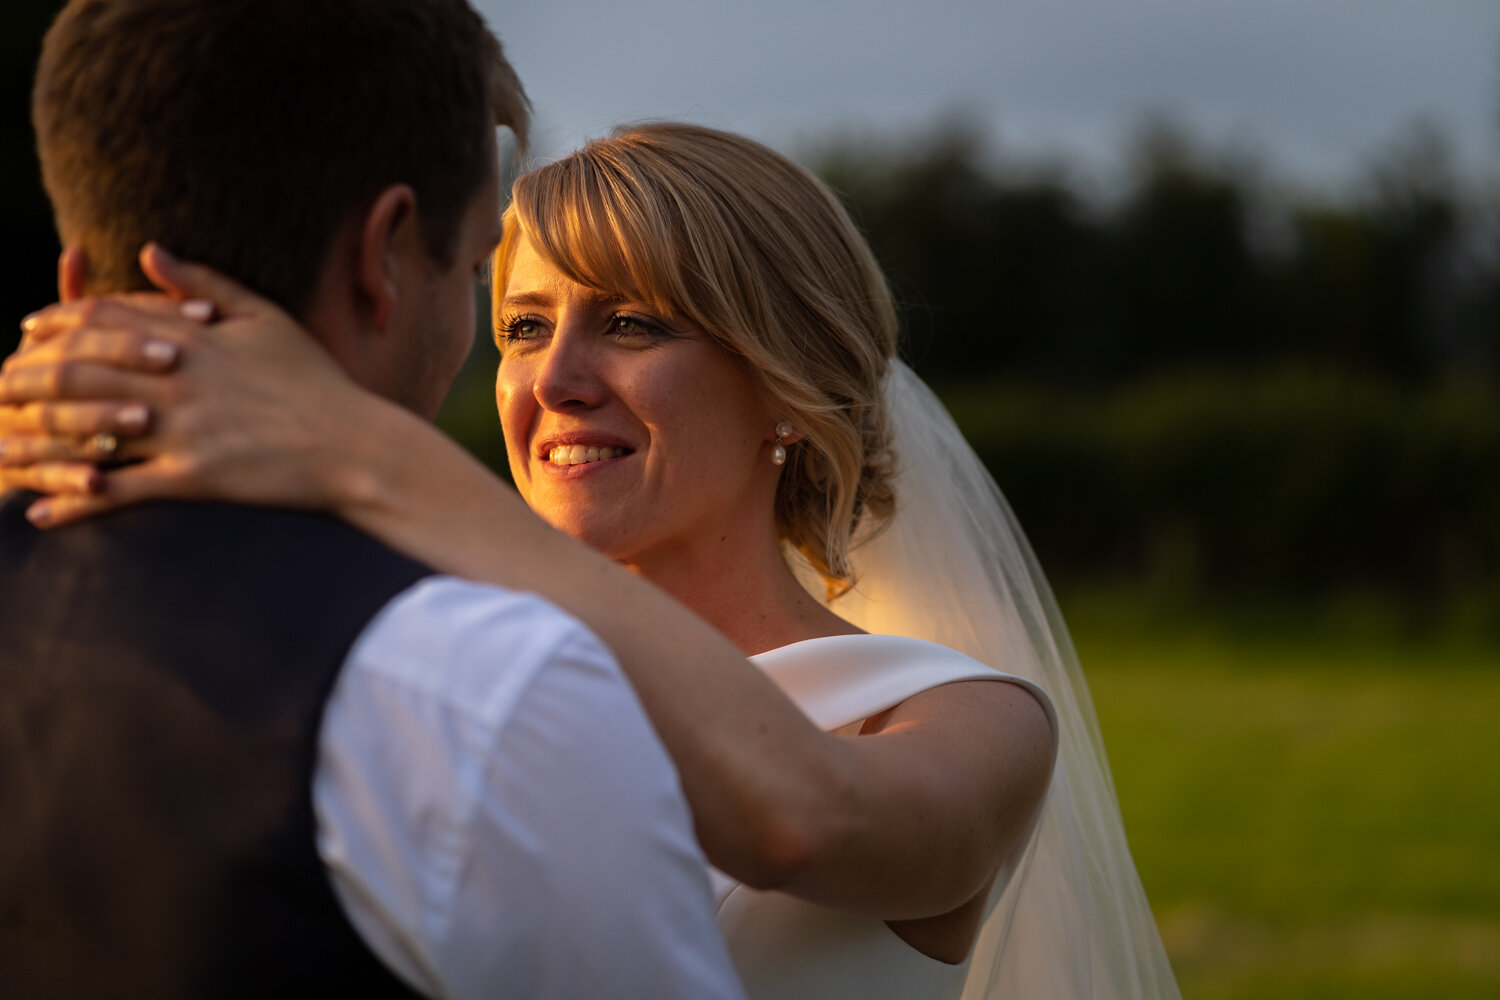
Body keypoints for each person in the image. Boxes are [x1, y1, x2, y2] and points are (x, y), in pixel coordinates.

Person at [1, 124, 1182, 997]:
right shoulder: (440, 662)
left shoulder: (962, 721)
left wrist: (363, 452)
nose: (554, 377)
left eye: (630, 323)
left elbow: (802, 822)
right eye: (522, 326)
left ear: (785, 381)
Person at [0, 2, 746, 997]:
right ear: (385, 256)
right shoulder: (479, 692)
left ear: (76, 276)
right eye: (483, 271)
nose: (552, 372)